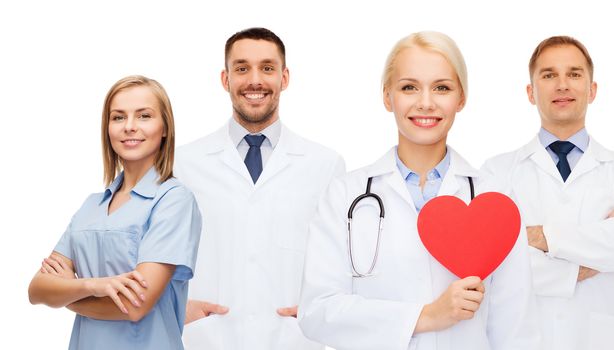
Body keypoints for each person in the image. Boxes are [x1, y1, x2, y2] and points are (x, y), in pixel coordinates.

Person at [298, 31, 539, 350]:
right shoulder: (344, 196)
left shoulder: (494, 199)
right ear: (387, 97)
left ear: (461, 98)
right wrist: (426, 316)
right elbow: (317, 311)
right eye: (409, 87)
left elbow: (516, 329)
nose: (426, 102)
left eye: (442, 88)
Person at [481, 36, 614, 350]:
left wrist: (540, 237)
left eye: (574, 74)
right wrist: (596, 259)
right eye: (549, 75)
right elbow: (494, 265)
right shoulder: (498, 172)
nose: (562, 84)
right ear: (530, 92)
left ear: (592, 90)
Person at [175, 27, 344, 349]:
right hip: (208, 338)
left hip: (293, 339)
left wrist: (320, 311)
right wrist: (174, 308)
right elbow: (159, 256)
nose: (255, 80)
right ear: (225, 80)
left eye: (267, 68)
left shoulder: (325, 164)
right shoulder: (183, 164)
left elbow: (339, 260)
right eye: (242, 68)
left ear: (285, 77)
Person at [28, 75, 202, 349]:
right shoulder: (91, 206)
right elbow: (37, 290)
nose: (130, 127)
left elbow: (135, 306)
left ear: (165, 127)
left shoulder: (173, 200)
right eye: (118, 118)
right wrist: (93, 286)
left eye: (144, 116)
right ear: (107, 128)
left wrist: (65, 294)